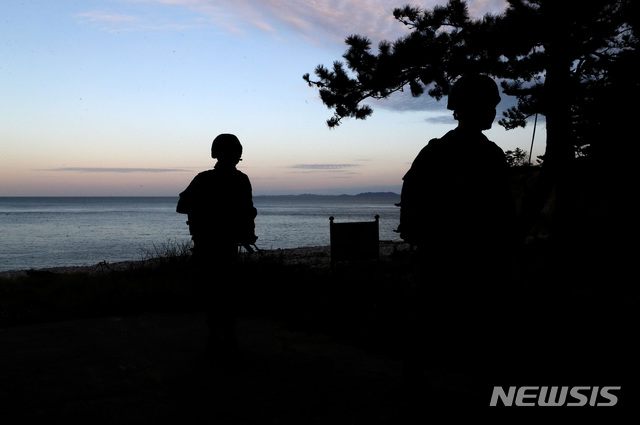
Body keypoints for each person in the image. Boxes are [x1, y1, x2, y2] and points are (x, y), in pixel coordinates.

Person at [397, 74, 515, 398]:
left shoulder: (462, 152)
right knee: (455, 315)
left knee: (458, 316)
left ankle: (426, 374)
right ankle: (425, 375)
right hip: (453, 249)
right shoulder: (480, 154)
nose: (492, 113)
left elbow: (412, 194)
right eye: (488, 106)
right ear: (469, 109)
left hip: (463, 249)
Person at [177, 133, 257, 367]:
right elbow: (182, 206)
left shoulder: (215, 179)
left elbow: (247, 212)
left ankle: (221, 338)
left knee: (220, 292)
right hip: (214, 245)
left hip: (219, 245)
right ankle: (220, 338)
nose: (234, 157)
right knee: (221, 292)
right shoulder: (231, 180)